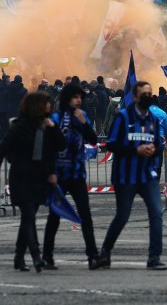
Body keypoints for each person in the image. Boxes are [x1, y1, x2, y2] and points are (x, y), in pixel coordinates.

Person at [0, 92, 65, 273]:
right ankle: (36, 256)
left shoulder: (46, 126)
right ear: (36, 106)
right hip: (21, 177)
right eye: (46, 103)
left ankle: (18, 257)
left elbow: (59, 147)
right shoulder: (20, 126)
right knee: (29, 216)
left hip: (39, 178)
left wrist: (53, 128)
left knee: (28, 219)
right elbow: (2, 148)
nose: (49, 106)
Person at [97, 81, 167, 270]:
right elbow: (111, 144)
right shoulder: (123, 117)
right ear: (135, 97)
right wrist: (135, 150)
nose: (147, 96)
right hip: (125, 175)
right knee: (123, 215)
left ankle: (154, 257)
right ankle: (105, 251)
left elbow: (158, 144)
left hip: (147, 175)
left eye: (150, 93)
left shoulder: (152, 119)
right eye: (144, 93)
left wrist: (155, 148)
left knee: (156, 213)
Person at [43, 84, 101, 270]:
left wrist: (84, 122)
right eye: (75, 97)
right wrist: (50, 172)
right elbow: (48, 146)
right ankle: (47, 256)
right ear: (67, 98)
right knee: (55, 216)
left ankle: (93, 255)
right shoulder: (56, 118)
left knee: (85, 213)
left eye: (80, 97)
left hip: (76, 174)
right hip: (58, 174)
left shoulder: (81, 115)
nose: (78, 100)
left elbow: (93, 140)